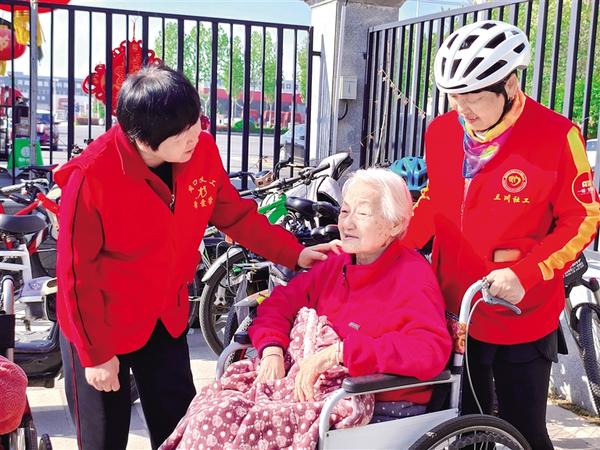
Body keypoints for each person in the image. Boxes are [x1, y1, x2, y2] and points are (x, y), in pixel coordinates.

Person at [54, 64, 332, 450]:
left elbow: (236, 216)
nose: (196, 135)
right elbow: (75, 276)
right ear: (143, 139)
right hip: (102, 323)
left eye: (196, 122)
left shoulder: (201, 152)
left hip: (163, 317)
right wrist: (95, 354)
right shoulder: (92, 176)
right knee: (103, 438)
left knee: (183, 428)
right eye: (183, 132)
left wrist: (295, 253)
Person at [403, 20, 600, 449]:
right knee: (465, 429)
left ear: (510, 85)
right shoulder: (441, 132)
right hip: (454, 309)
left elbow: (583, 218)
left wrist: (527, 273)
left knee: (524, 430)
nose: (463, 109)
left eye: (474, 97)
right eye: (454, 97)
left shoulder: (557, 136)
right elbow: (435, 201)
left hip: (521, 312)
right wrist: (393, 247)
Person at [159, 168, 452, 449]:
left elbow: (429, 350)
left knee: (239, 427)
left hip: (373, 399)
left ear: (395, 224)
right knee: (212, 411)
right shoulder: (337, 262)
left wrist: (340, 353)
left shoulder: (412, 277)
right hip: (309, 386)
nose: (347, 223)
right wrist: (272, 348)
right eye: (345, 211)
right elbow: (279, 303)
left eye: (362, 214)